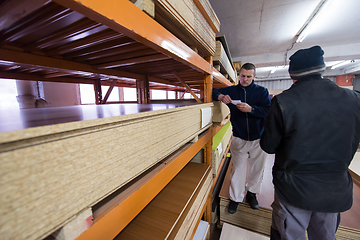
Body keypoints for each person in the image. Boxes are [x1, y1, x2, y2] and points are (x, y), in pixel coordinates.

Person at [260, 45, 360, 240]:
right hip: (333, 191)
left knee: (289, 235)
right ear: (322, 69)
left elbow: (268, 145)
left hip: (293, 190)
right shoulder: (354, 100)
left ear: (293, 75)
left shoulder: (283, 102)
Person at [213, 63, 271, 213]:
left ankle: (252, 194)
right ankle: (235, 198)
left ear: (254, 76)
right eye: (242, 76)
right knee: (237, 170)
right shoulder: (231, 91)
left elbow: (268, 111)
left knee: (257, 169)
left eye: (248, 77)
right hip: (239, 138)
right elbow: (212, 90)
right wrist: (220, 96)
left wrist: (251, 109)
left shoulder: (262, 92)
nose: (245, 79)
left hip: (259, 139)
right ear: (239, 75)